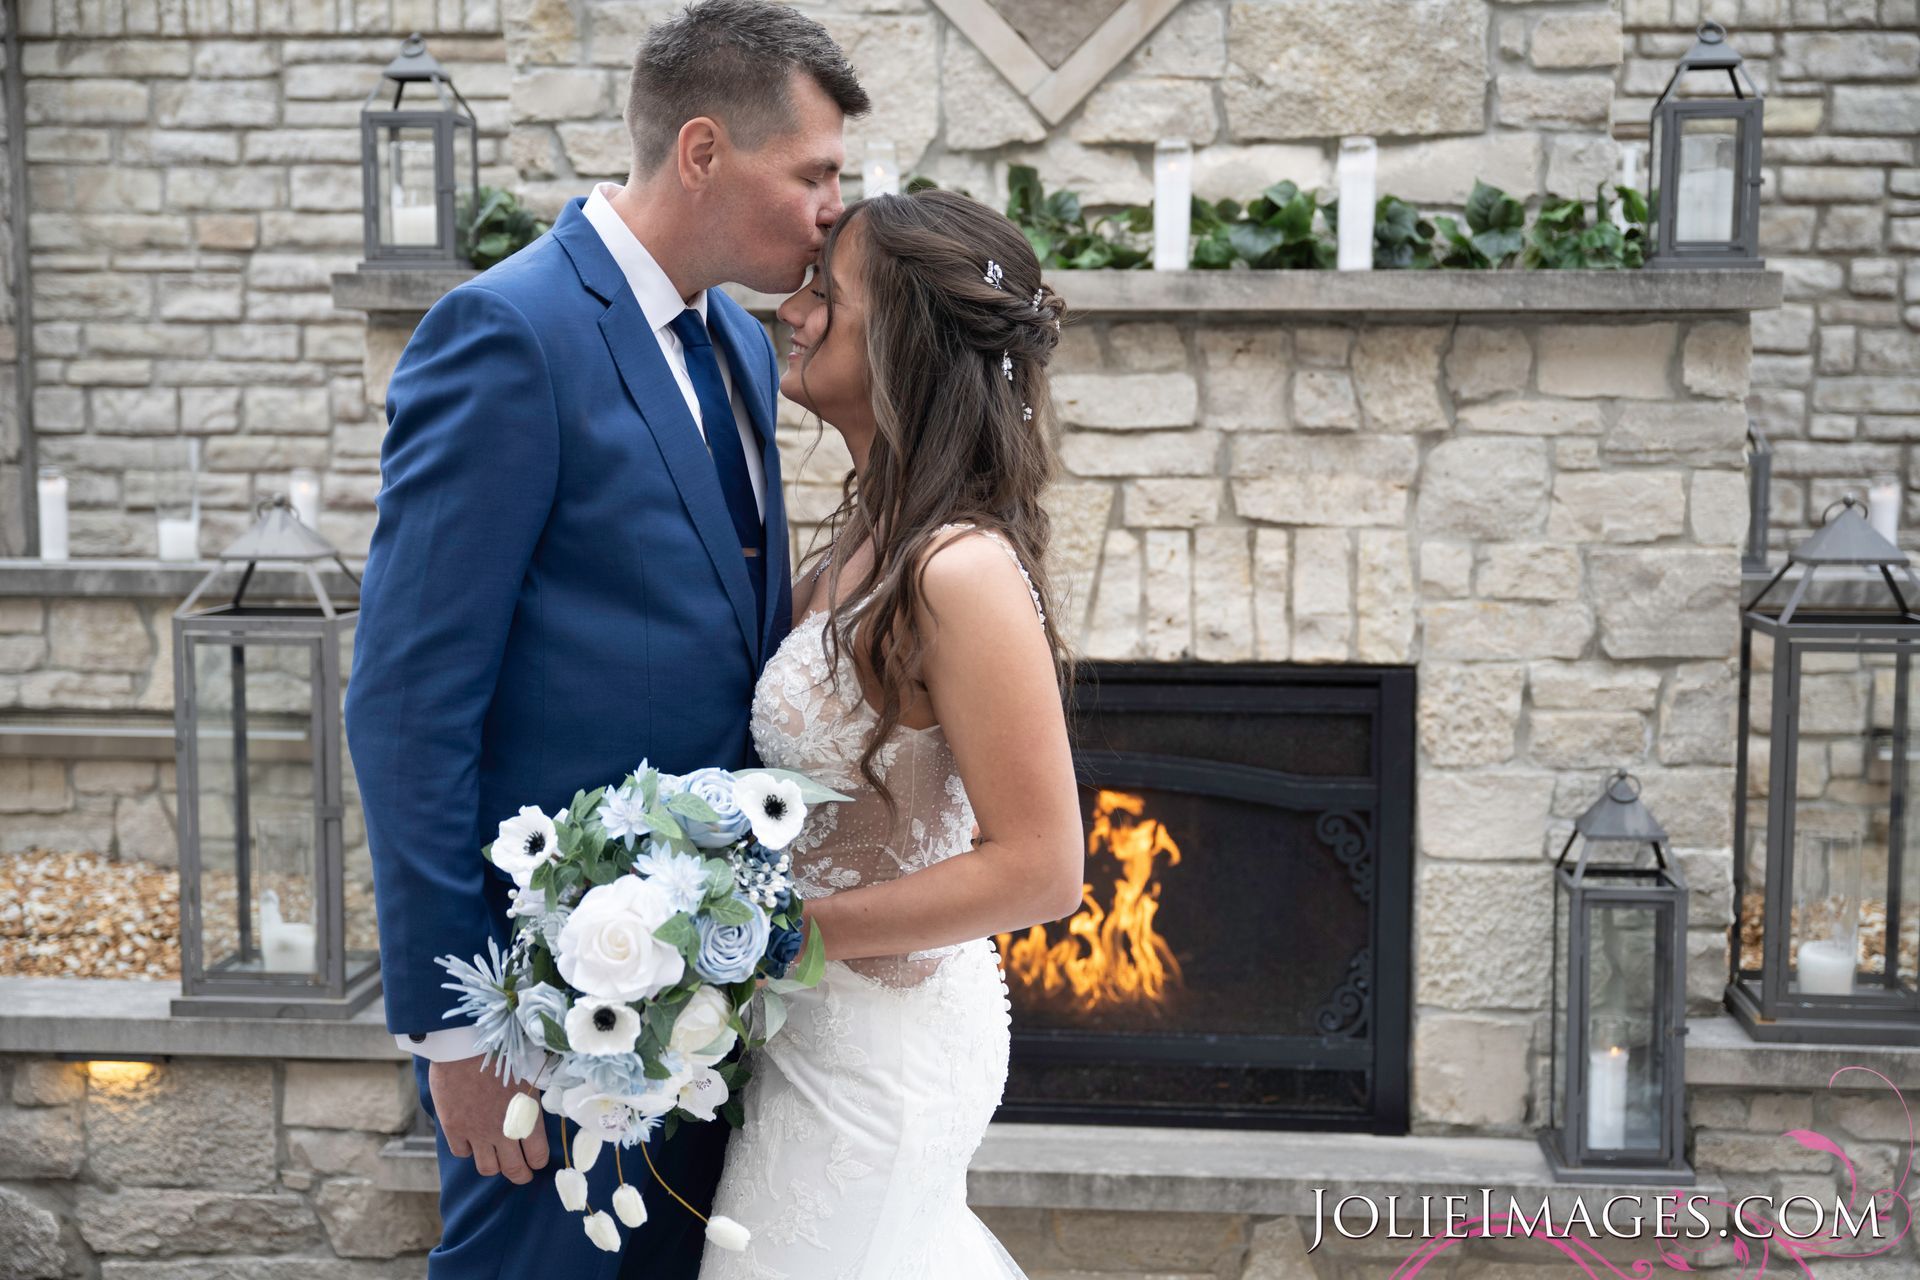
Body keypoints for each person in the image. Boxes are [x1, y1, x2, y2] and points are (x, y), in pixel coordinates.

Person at [343, 4, 868, 1276]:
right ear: (702, 151)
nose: (832, 211)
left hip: (704, 1003)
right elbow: (408, 703)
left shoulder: (741, 349)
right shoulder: (507, 334)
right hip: (546, 1010)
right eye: (813, 174)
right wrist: (453, 1033)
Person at [697, 188, 1086, 1279]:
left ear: (905, 339)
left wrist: (781, 934)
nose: (794, 309)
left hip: (882, 1057)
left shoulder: (957, 569)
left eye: (828, 292)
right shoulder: (855, 546)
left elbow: (1044, 868)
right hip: (813, 1038)